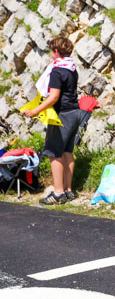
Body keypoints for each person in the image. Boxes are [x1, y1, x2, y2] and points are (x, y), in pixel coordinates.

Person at [22, 37, 83, 205]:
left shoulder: (56, 71)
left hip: (61, 115)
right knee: (68, 152)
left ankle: (57, 193)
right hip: (74, 113)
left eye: (51, 51)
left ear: (56, 52)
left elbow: (54, 97)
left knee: (53, 153)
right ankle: (68, 190)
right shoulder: (71, 68)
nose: (50, 54)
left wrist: (35, 111)